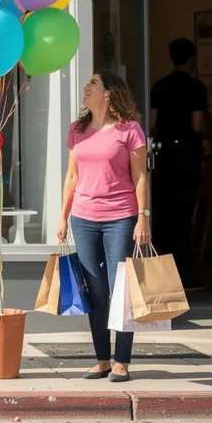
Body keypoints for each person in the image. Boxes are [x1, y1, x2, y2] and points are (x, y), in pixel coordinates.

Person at [58, 70, 150, 383]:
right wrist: (63, 217)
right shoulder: (77, 129)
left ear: (108, 93)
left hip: (120, 218)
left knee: (120, 289)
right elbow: (72, 176)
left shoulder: (129, 129)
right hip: (83, 218)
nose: (86, 87)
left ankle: (122, 361)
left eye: (93, 84)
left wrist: (143, 216)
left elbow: (140, 176)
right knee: (95, 290)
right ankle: (102, 360)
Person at [149, 38, 207, 291]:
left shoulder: (159, 87)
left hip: (163, 154)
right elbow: (197, 125)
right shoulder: (196, 88)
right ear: (191, 58)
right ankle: (183, 274)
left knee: (163, 213)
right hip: (187, 155)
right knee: (184, 215)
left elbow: (152, 124)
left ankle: (162, 273)